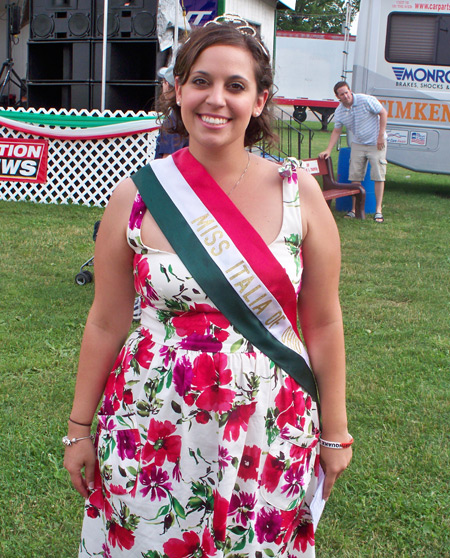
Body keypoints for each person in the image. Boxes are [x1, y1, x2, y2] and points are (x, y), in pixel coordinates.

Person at [64, 15, 352, 558]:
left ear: (261, 100)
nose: (214, 99)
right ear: (178, 91)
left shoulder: (300, 193)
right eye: (200, 81)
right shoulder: (136, 195)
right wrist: (80, 428)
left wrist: (334, 433)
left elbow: (322, 320)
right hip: (151, 421)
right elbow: (105, 319)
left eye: (235, 85)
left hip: (268, 423)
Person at [319, 81, 388, 223]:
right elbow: (337, 130)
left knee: (378, 175)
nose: (345, 96)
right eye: (342, 94)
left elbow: (383, 113)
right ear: (338, 97)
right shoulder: (339, 111)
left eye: (346, 92)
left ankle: (378, 211)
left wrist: (381, 135)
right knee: (355, 176)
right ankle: (354, 209)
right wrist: (328, 149)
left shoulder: (366, 100)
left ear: (350, 91)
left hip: (376, 142)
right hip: (358, 144)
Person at [154, 64, 189, 159]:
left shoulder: (173, 123)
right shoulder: (187, 117)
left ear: (168, 85)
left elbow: (168, 163)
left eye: (163, 82)